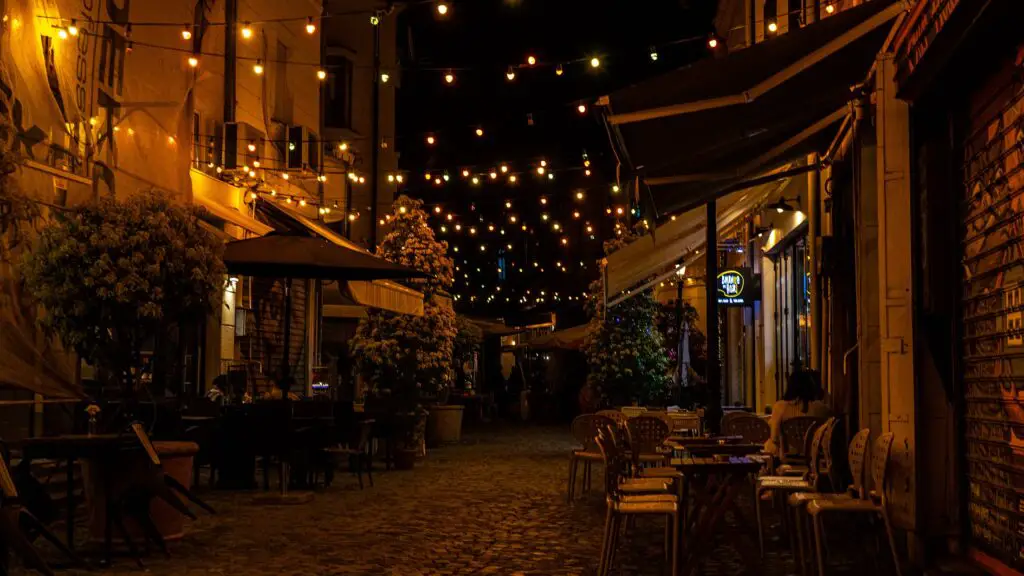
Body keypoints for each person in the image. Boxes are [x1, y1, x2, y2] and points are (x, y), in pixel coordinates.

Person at [764, 369, 831, 456]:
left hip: (788, 456)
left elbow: (774, 438)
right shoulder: (822, 408)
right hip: (815, 455)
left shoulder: (780, 407)